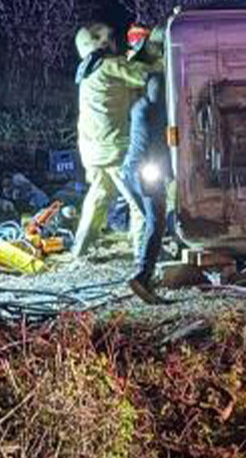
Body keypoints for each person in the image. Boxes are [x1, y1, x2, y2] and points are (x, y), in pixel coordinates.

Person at [71, 22, 150, 258]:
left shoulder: (85, 70)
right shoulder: (110, 66)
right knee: (139, 201)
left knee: (98, 196)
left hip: (91, 150)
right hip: (114, 148)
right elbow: (144, 76)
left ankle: (79, 249)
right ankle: (144, 252)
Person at [123, 25, 171, 303]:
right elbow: (157, 140)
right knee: (156, 222)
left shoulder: (141, 103)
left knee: (156, 222)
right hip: (145, 168)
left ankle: (145, 274)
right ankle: (142, 277)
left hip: (134, 168)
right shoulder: (155, 98)